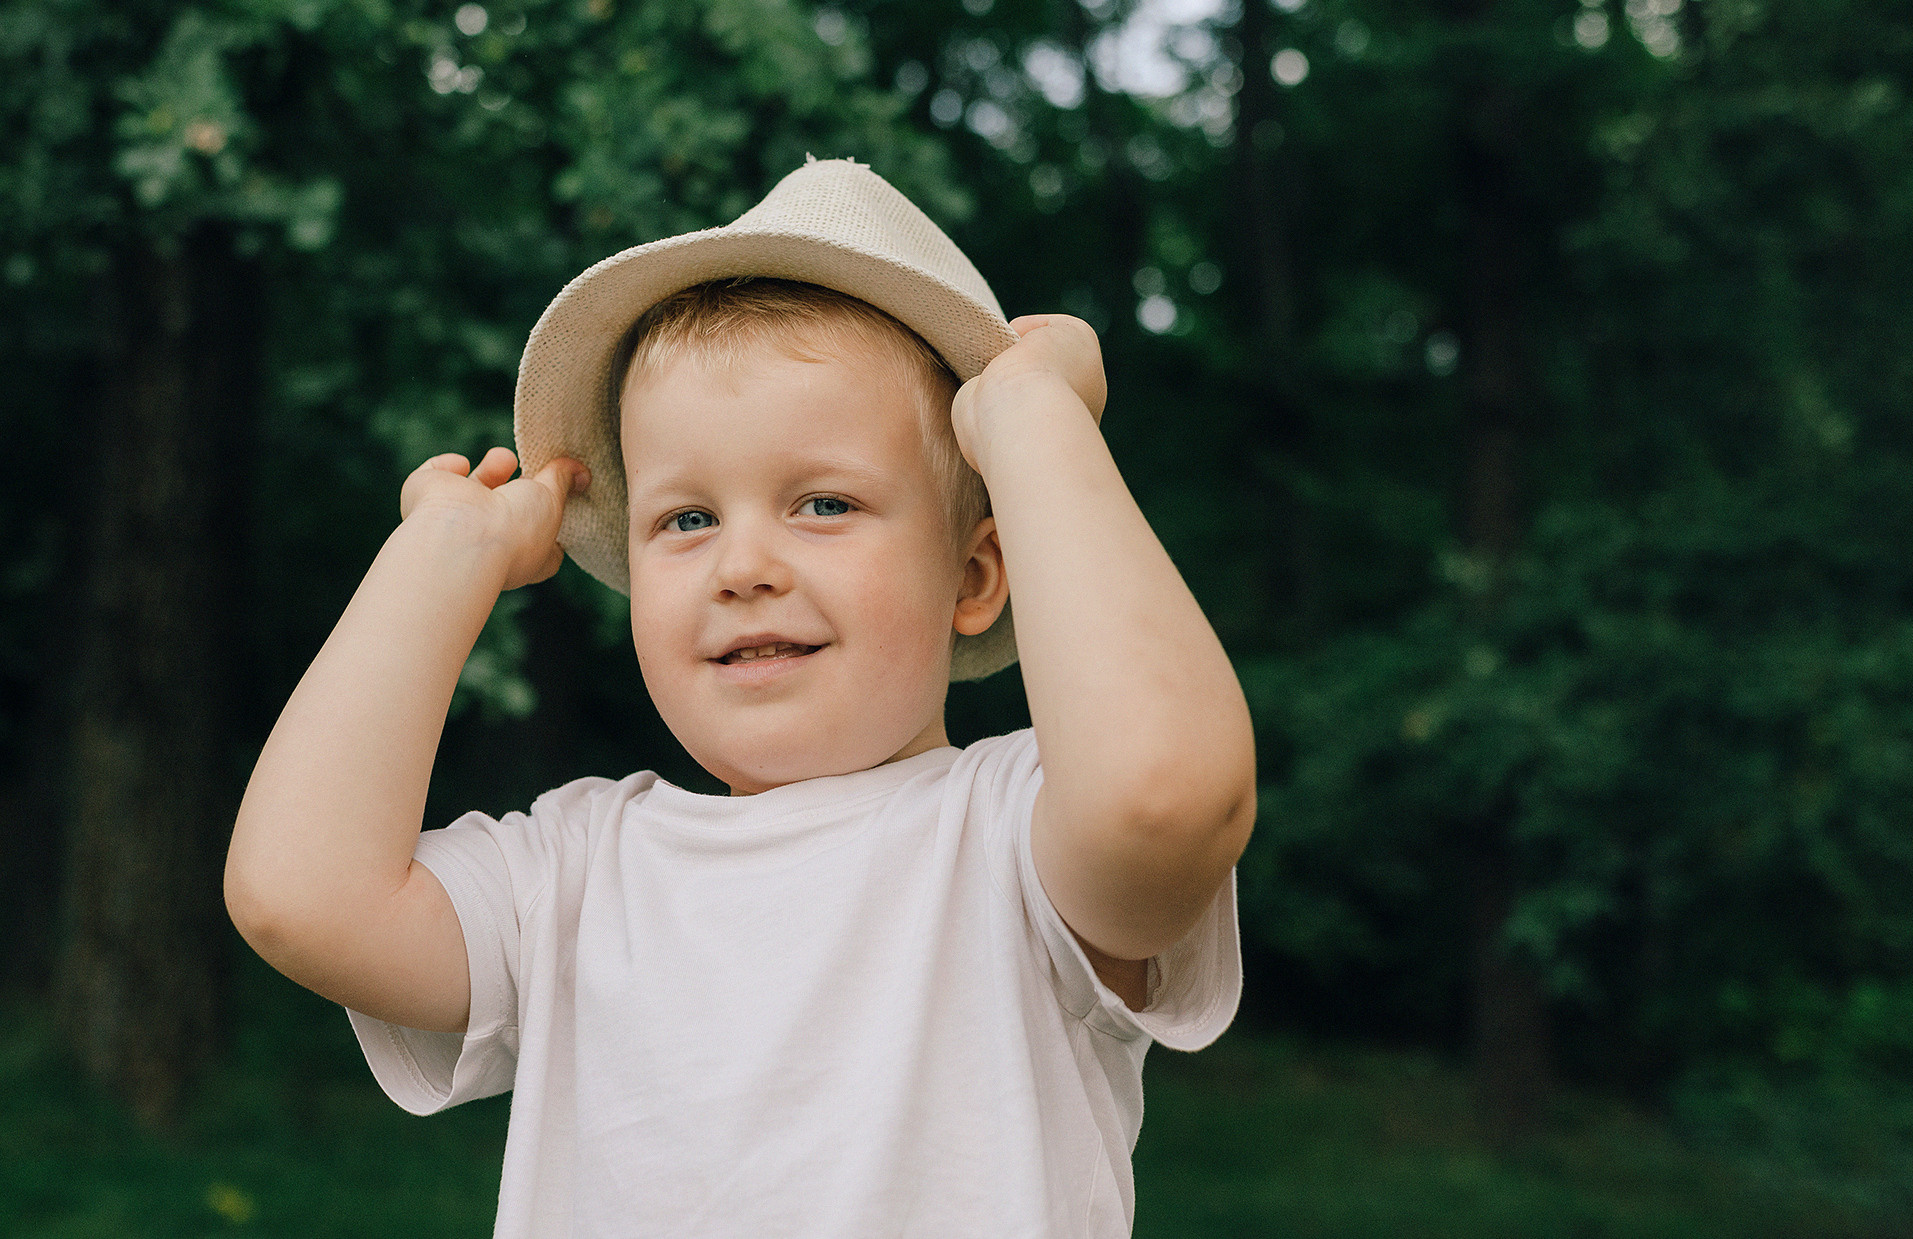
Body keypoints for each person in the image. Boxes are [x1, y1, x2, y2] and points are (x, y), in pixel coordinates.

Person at [224, 158, 1255, 1238]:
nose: (742, 564)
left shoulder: (1009, 838)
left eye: (822, 502)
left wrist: (1034, 420)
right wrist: (439, 556)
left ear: (974, 577)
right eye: (684, 520)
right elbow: (299, 895)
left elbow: (1163, 796)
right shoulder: (575, 876)